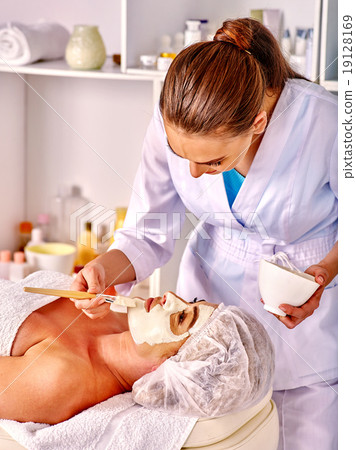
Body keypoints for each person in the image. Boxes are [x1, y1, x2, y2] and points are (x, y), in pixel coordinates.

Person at [72, 18, 338, 449]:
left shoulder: (327, 122)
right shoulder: (177, 117)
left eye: (212, 163)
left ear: (257, 122)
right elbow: (148, 229)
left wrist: (324, 273)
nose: (194, 173)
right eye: (183, 156)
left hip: (305, 326)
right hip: (208, 319)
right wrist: (104, 267)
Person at [0, 273, 274, 426]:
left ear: (170, 368)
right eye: (191, 301)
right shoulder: (112, 308)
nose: (171, 297)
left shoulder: (60, 380)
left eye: (180, 317)